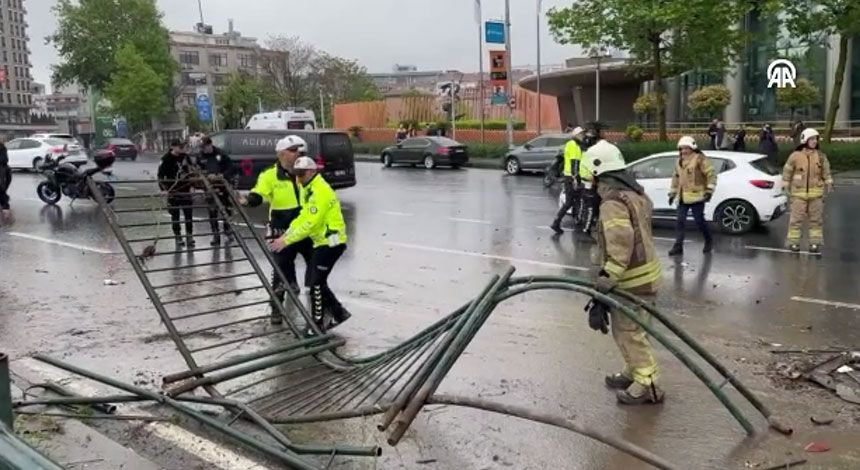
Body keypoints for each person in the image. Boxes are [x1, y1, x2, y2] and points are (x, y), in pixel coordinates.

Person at [582, 139, 664, 405]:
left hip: (632, 280)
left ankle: (647, 383)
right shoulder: (636, 194)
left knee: (630, 332)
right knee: (630, 329)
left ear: (598, 173)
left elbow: (620, 242)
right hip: (647, 274)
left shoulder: (613, 203)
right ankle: (634, 369)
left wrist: (608, 279)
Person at [268, 155, 350, 335]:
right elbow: (303, 217)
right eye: (296, 174)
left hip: (331, 242)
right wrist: (286, 235)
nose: (298, 178)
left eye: (302, 174)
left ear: (312, 171)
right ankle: (338, 313)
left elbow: (310, 222)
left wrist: (286, 241)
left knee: (314, 283)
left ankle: (317, 325)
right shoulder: (308, 187)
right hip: (321, 242)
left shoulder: (320, 190)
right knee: (316, 281)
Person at [242, 136, 315, 324]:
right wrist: (248, 201)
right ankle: (276, 309)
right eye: (293, 151)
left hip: (306, 228)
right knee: (280, 271)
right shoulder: (270, 175)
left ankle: (321, 311)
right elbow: (259, 194)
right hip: (281, 229)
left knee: (316, 269)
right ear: (281, 154)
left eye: (301, 151)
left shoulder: (307, 172)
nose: (298, 154)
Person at [782, 128, 832, 254]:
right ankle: (794, 243)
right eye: (812, 139)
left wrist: (829, 182)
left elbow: (826, 171)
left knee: (816, 221)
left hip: (816, 196)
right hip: (798, 195)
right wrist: (785, 184)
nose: (815, 141)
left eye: (816, 139)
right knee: (795, 220)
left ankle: (815, 244)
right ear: (805, 140)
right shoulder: (795, 156)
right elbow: (787, 171)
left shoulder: (820, 156)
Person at [668, 136, 716, 256]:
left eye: (686, 148)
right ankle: (678, 246)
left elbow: (711, 174)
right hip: (682, 197)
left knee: (699, 221)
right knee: (680, 221)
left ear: (692, 148)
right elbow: (676, 178)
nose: (683, 151)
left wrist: (709, 191)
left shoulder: (700, 159)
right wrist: (672, 193)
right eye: (681, 148)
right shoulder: (679, 161)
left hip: (697, 197)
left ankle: (709, 240)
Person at [198, 136, 238, 246]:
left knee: (226, 209)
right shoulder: (200, 156)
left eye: (205, 147)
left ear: (210, 145)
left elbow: (231, 167)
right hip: (209, 187)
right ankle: (216, 235)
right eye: (202, 147)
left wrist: (222, 175)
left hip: (222, 186)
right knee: (212, 211)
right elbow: (198, 169)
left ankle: (227, 230)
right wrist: (205, 176)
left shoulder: (220, 154)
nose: (204, 149)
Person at [157, 140, 196, 247]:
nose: (181, 149)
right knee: (175, 215)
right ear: (173, 147)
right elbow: (160, 176)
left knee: (188, 214)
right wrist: (163, 189)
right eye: (179, 147)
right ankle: (178, 236)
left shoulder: (185, 157)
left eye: (182, 147)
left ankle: (189, 235)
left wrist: (192, 186)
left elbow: (191, 172)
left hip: (185, 189)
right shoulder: (166, 159)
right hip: (173, 190)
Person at [550, 127, 586, 234]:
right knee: (570, 202)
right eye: (581, 134)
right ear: (576, 135)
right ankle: (556, 222)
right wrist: (576, 179)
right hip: (571, 177)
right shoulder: (574, 145)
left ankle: (576, 220)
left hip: (569, 176)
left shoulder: (572, 144)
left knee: (576, 200)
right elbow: (574, 163)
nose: (583, 136)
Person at [0, 136, 11, 223]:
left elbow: (4, 159)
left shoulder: (2, 148)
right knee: (2, 190)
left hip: (2, 171)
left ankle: (5, 207)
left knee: (2, 190)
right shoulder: (3, 148)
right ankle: (5, 207)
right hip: (4, 171)